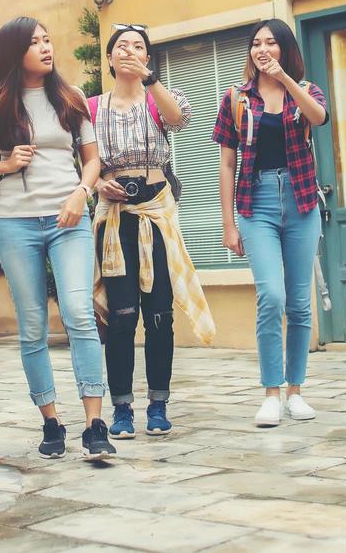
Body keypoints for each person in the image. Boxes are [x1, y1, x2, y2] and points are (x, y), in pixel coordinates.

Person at [0, 17, 116, 461]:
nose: (46, 47)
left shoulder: (70, 97)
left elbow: (92, 159)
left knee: (80, 313)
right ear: (14, 51)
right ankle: (51, 422)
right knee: (32, 327)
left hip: (69, 219)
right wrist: (3, 167)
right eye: (35, 42)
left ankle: (94, 424)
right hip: (16, 223)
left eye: (48, 39)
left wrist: (83, 193)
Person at [88, 23, 214, 440]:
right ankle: (121, 408)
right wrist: (96, 183)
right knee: (122, 317)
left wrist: (151, 79)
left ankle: (159, 404)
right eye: (121, 46)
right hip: (115, 218)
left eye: (138, 46)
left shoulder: (161, 98)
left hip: (157, 213)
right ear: (108, 59)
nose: (129, 51)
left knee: (159, 314)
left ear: (147, 57)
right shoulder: (90, 108)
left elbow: (179, 120)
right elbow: (82, 159)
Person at [213, 18, 328, 427]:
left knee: (299, 303)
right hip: (256, 201)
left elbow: (318, 117)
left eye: (271, 43)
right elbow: (227, 164)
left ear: (284, 49)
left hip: (300, 202)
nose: (262, 49)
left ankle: (296, 391)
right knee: (272, 297)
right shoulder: (236, 98)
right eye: (256, 43)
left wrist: (285, 81)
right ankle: (271, 392)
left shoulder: (307, 90)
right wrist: (228, 224)